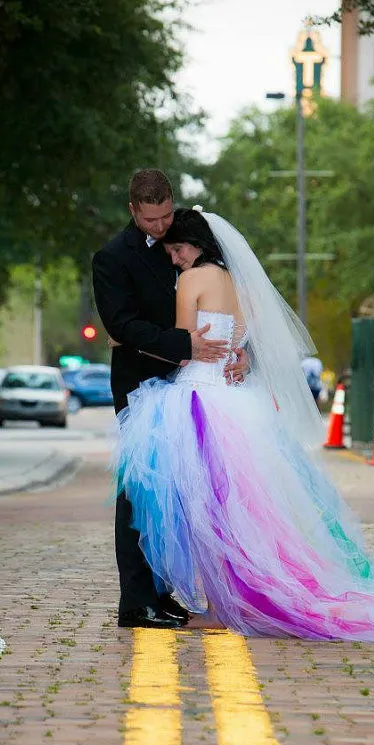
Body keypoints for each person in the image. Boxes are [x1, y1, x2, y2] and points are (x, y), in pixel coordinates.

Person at [115, 207, 374, 642]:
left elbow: (182, 343)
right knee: (236, 509)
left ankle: (221, 606)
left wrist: (128, 338)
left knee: (208, 509)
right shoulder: (237, 282)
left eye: (177, 249)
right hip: (235, 402)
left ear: (196, 245)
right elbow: (243, 338)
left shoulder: (193, 279)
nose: (175, 258)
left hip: (198, 398)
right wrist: (239, 354)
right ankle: (227, 600)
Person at [92, 170, 248, 630]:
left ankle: (163, 595)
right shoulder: (111, 259)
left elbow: (221, 309)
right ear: (132, 210)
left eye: (165, 217)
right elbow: (123, 326)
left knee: (181, 495)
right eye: (150, 219)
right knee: (140, 489)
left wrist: (238, 352)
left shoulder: (188, 241)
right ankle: (137, 601)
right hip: (143, 387)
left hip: (195, 387)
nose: (160, 228)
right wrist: (184, 347)